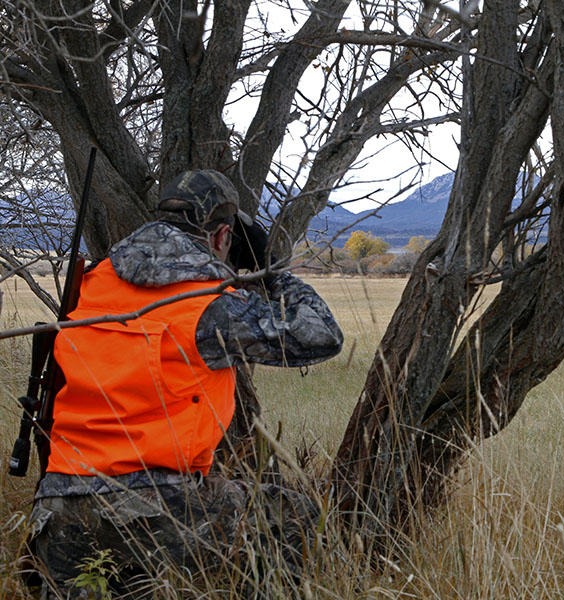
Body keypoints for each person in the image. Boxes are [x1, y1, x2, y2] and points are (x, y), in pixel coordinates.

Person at [27, 170, 343, 598]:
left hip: (55, 510)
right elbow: (322, 336)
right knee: (290, 513)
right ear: (221, 236)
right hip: (153, 506)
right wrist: (271, 271)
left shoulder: (95, 281)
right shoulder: (207, 304)